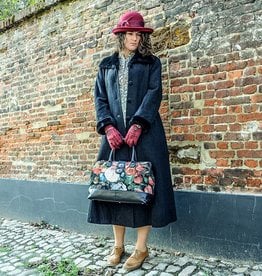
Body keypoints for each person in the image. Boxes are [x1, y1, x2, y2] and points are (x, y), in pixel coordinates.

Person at [88, 11, 177, 271]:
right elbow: (100, 97)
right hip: (115, 138)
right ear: (120, 36)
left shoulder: (152, 63)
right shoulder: (106, 65)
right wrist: (107, 127)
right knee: (115, 190)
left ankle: (141, 248)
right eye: (130, 34)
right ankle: (118, 245)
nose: (134, 38)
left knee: (144, 189)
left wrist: (139, 123)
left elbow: (154, 92)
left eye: (138, 34)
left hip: (146, 135)